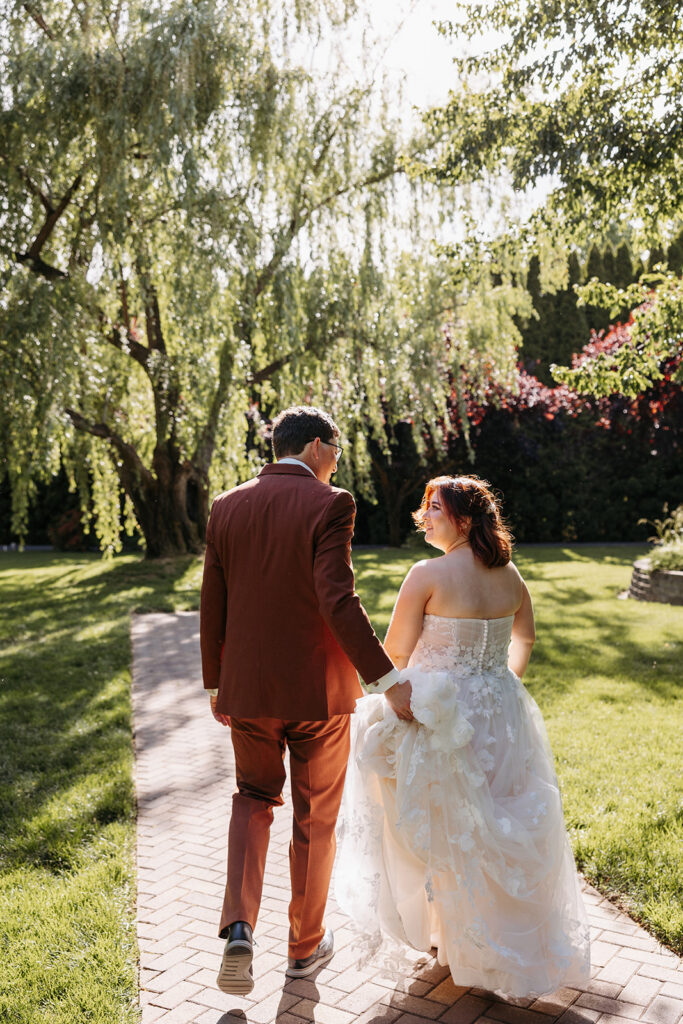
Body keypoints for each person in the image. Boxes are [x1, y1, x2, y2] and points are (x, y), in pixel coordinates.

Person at [335, 475, 591, 998]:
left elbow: (396, 653)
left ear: (465, 520)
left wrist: (402, 698)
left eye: (434, 508)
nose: (423, 517)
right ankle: (477, 941)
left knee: (446, 827)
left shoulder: (426, 573)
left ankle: (458, 942)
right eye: (424, 508)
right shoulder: (510, 574)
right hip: (502, 712)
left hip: (443, 718)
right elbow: (526, 635)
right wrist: (504, 681)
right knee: (493, 818)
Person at [199, 405, 412, 995]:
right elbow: (336, 599)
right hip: (318, 696)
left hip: (247, 691)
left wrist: (215, 682)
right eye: (337, 449)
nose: (337, 461)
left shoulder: (226, 506)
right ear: (317, 446)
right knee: (314, 817)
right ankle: (304, 947)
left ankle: (239, 926)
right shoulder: (331, 502)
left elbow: (211, 599)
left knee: (252, 798)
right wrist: (387, 680)